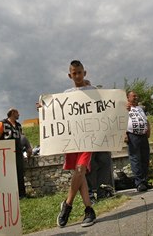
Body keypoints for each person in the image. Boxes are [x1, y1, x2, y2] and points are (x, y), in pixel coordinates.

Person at [56, 60, 96, 228]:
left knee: (80, 169)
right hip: (72, 138)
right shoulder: (67, 93)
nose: (78, 76)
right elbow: (58, 110)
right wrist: (45, 108)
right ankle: (89, 210)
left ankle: (67, 205)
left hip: (88, 137)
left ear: (84, 72)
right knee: (80, 175)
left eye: (80, 72)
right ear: (70, 75)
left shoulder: (93, 91)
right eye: (74, 73)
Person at [0, 108, 27, 199]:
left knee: (20, 172)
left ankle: (21, 194)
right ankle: (10, 195)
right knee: (8, 173)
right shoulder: (2, 123)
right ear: (12, 113)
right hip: (6, 152)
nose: (19, 114)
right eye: (17, 113)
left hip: (18, 151)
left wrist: (27, 147)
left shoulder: (18, 125)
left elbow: (22, 137)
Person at [126, 91, 152, 192]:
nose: (136, 97)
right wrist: (124, 134)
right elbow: (121, 120)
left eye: (137, 95)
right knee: (135, 159)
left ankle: (144, 180)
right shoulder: (125, 108)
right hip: (132, 135)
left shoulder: (140, 109)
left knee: (145, 158)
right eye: (134, 96)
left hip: (143, 136)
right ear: (128, 98)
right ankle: (139, 183)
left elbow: (146, 120)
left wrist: (148, 130)